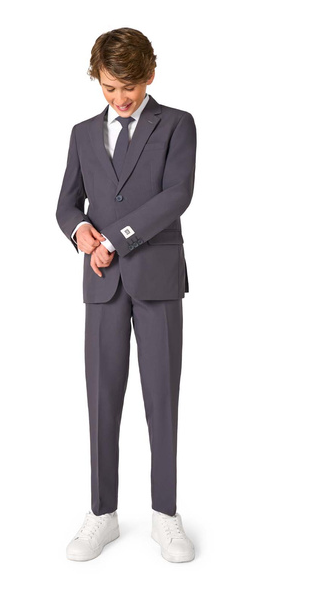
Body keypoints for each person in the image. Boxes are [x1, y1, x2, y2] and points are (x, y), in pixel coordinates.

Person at [56, 27, 197, 563]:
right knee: (102, 400)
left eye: (130, 87)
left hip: (156, 279)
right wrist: (80, 232)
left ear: (150, 75)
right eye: (110, 87)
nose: (121, 98)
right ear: (98, 80)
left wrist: (113, 239)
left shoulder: (177, 124)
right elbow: (67, 203)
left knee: (162, 399)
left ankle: (165, 515)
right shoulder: (81, 133)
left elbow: (177, 195)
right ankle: (102, 514)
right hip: (101, 284)